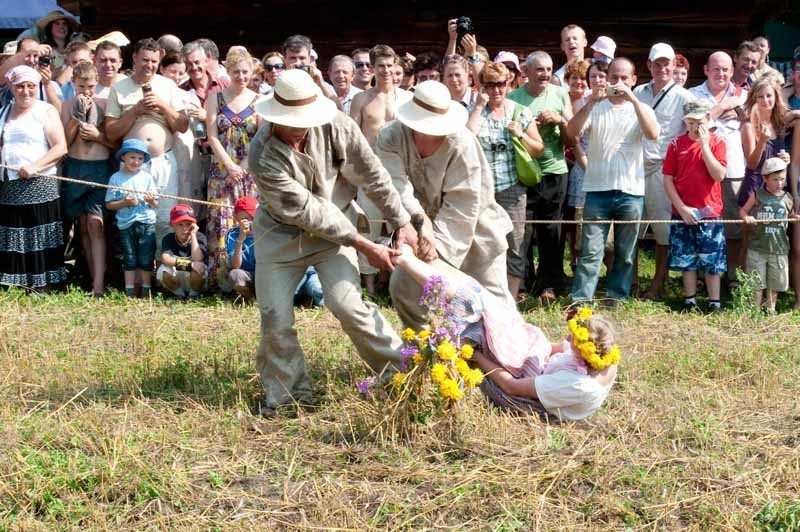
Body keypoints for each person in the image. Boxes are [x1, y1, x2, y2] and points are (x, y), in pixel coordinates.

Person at [247, 69, 419, 414]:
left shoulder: (337, 125)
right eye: (291, 119)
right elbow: (309, 212)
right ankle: (288, 396)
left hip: (338, 228)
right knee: (275, 316)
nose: (299, 126)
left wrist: (401, 219)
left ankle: (400, 375)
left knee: (347, 305)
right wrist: (366, 245)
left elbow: (371, 173)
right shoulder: (262, 153)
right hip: (281, 236)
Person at [391, 243, 620, 421]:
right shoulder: (601, 356)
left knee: (470, 306)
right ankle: (426, 258)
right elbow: (555, 348)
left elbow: (511, 386)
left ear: (585, 351)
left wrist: (476, 356)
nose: (568, 338)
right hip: (535, 365)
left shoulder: (575, 384)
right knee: (483, 298)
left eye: (573, 339)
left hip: (520, 391)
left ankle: (405, 259)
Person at [375, 80, 514, 327]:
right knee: (403, 286)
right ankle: (424, 350)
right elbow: (393, 186)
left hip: (477, 230)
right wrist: (420, 222)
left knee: (495, 306)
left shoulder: (462, 143)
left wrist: (435, 250)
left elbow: (464, 204)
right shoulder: (390, 136)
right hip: (416, 227)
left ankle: (515, 361)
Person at [567, 57, 660, 303]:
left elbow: (653, 134)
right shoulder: (595, 105)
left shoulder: (642, 108)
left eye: (623, 78)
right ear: (607, 79)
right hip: (597, 190)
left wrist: (633, 100)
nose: (618, 82)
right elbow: (572, 132)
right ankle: (581, 300)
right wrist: (590, 103)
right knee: (591, 251)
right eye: (614, 77)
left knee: (625, 252)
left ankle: (616, 297)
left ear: (633, 80)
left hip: (631, 191)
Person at [466, 62, 544, 299]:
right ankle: (484, 296)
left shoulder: (520, 111)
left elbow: (539, 149)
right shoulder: (475, 109)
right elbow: (466, 139)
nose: (496, 91)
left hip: (512, 188)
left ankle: (510, 298)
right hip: (481, 190)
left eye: (501, 84)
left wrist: (520, 134)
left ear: (509, 83)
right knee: (481, 244)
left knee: (515, 244)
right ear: (482, 86)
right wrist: (479, 107)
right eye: (490, 85)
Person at [105, 38, 189, 249]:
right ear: (134, 58)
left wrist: (163, 106)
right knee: (133, 216)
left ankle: (163, 269)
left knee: (164, 215)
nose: (149, 65)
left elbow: (183, 125)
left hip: (162, 161)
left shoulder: (168, 86)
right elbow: (110, 132)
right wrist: (135, 111)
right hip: (133, 166)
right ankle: (137, 272)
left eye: (153, 61)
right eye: (144, 60)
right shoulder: (119, 88)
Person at [508, 51, 573, 303]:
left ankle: (550, 284)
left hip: (554, 169)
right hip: (523, 170)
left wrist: (559, 120)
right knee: (521, 233)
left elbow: (570, 139)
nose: (545, 74)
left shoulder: (560, 94)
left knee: (551, 232)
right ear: (526, 71)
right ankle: (521, 284)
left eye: (548, 69)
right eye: (539, 69)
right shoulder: (514, 98)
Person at [349, 44, 412, 295]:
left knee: (401, 227)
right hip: (370, 173)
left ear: (396, 67)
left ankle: (399, 284)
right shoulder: (361, 99)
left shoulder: (407, 99)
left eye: (389, 66)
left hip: (400, 172)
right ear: (372, 68)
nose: (385, 71)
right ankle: (370, 288)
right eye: (380, 66)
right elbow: (352, 138)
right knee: (369, 226)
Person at [633, 43, 694, 299]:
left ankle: (658, 285)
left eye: (666, 64)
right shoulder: (638, 92)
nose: (662, 69)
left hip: (663, 170)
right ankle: (631, 283)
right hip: (634, 169)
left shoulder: (685, 97)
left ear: (673, 65)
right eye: (657, 64)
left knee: (663, 232)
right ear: (649, 65)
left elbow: (701, 127)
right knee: (631, 229)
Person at [0, 66, 68, 289]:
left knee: (39, 233)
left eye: (30, 86)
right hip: (9, 184)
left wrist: (34, 166)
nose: (26, 91)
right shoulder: (3, 112)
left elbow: (60, 147)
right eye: (20, 86)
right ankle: (16, 282)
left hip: (39, 182)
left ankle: (43, 284)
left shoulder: (45, 111)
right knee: (14, 234)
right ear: (11, 87)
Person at [205, 47, 263, 292]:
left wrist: (242, 167)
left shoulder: (259, 101)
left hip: (249, 173)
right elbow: (212, 135)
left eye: (245, 72)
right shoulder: (215, 98)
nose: (241, 76)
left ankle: (250, 279)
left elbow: (260, 139)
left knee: (248, 223)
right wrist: (229, 166)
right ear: (228, 71)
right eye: (236, 71)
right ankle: (221, 281)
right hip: (221, 172)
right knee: (222, 222)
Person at [689, 52, 748, 290]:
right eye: (716, 69)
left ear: (732, 71)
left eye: (725, 69)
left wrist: (740, 110)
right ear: (706, 70)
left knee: (733, 227)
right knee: (704, 223)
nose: (721, 73)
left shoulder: (742, 95)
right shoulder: (694, 94)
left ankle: (732, 276)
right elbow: (696, 125)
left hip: (733, 168)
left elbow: (752, 124)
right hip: (703, 169)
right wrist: (722, 106)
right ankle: (704, 276)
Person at [663, 101, 728, 312]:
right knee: (687, 260)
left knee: (712, 260)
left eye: (700, 121)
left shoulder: (717, 142)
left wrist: (705, 145)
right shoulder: (675, 144)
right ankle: (690, 301)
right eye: (691, 122)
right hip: (683, 212)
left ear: (708, 120)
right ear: (685, 122)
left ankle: (714, 302)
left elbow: (719, 175)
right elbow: (668, 179)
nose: (695, 126)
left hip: (710, 212)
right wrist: (681, 208)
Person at [60, 60, 115, 297]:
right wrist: (75, 118)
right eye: (82, 87)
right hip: (75, 167)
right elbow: (64, 144)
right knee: (82, 225)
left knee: (96, 224)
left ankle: (100, 285)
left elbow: (114, 144)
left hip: (98, 168)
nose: (87, 92)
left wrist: (98, 135)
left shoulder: (103, 104)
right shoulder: (66, 105)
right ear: (74, 83)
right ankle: (92, 279)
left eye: (91, 87)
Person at [740, 157, 798, 313]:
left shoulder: (788, 197)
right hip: (758, 247)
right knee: (757, 281)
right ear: (765, 178)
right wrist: (747, 217)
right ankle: (755, 309)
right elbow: (743, 210)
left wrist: (793, 218)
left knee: (775, 281)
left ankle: (770, 308)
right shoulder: (758, 195)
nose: (779, 183)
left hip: (779, 249)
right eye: (775, 179)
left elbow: (790, 216)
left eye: (782, 179)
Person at [104, 139, 159, 298]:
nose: (136, 162)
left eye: (140, 159)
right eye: (132, 157)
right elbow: (109, 204)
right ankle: (129, 291)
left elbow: (155, 203)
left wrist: (150, 199)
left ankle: (146, 289)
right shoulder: (116, 178)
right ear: (123, 157)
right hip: (125, 224)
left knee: (146, 257)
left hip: (146, 222)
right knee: (129, 257)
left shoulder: (147, 177)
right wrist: (124, 202)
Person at [738, 77, 790, 209]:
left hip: (777, 192)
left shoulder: (780, 124)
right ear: (754, 100)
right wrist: (762, 141)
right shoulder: (748, 126)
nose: (765, 100)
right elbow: (751, 164)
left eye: (769, 95)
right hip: (754, 192)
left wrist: (786, 159)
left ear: (776, 97)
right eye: (760, 97)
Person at [156, 204, 208, 298]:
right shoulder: (169, 238)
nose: (185, 229)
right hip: (179, 276)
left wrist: (193, 235)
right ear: (172, 225)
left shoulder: (199, 237)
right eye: (180, 224)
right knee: (164, 270)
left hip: (194, 278)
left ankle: (193, 295)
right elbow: (165, 259)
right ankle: (180, 295)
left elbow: (198, 259)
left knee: (198, 268)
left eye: (188, 224)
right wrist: (189, 265)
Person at [226, 195, 258, 301]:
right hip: (245, 274)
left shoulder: (265, 232)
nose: (249, 222)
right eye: (245, 218)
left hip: (263, 273)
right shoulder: (232, 234)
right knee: (235, 275)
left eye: (252, 218)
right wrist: (240, 239)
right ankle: (249, 297)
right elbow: (235, 265)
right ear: (235, 216)